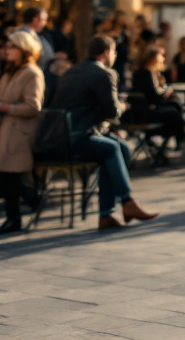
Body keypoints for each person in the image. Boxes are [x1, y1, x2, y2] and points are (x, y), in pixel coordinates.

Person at [50, 35, 159, 230]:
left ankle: (106, 215)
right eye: (115, 52)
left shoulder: (70, 72)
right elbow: (112, 112)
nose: (115, 55)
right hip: (78, 138)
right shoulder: (105, 74)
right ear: (107, 52)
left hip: (59, 138)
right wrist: (123, 106)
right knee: (111, 148)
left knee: (122, 147)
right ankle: (127, 201)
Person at [0, 30, 44, 236]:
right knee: (2, 176)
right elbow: (6, 98)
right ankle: (16, 215)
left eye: (11, 47)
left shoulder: (32, 73)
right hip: (4, 131)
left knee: (13, 178)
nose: (6, 51)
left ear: (24, 49)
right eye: (5, 47)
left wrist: (6, 108)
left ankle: (24, 210)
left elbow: (33, 106)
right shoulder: (9, 72)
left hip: (19, 132)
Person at [134, 46, 185, 161]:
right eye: (161, 56)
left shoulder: (147, 73)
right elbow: (154, 97)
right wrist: (166, 93)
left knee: (175, 106)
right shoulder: (146, 73)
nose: (163, 59)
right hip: (145, 113)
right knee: (174, 113)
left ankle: (184, 136)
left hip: (144, 110)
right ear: (153, 58)